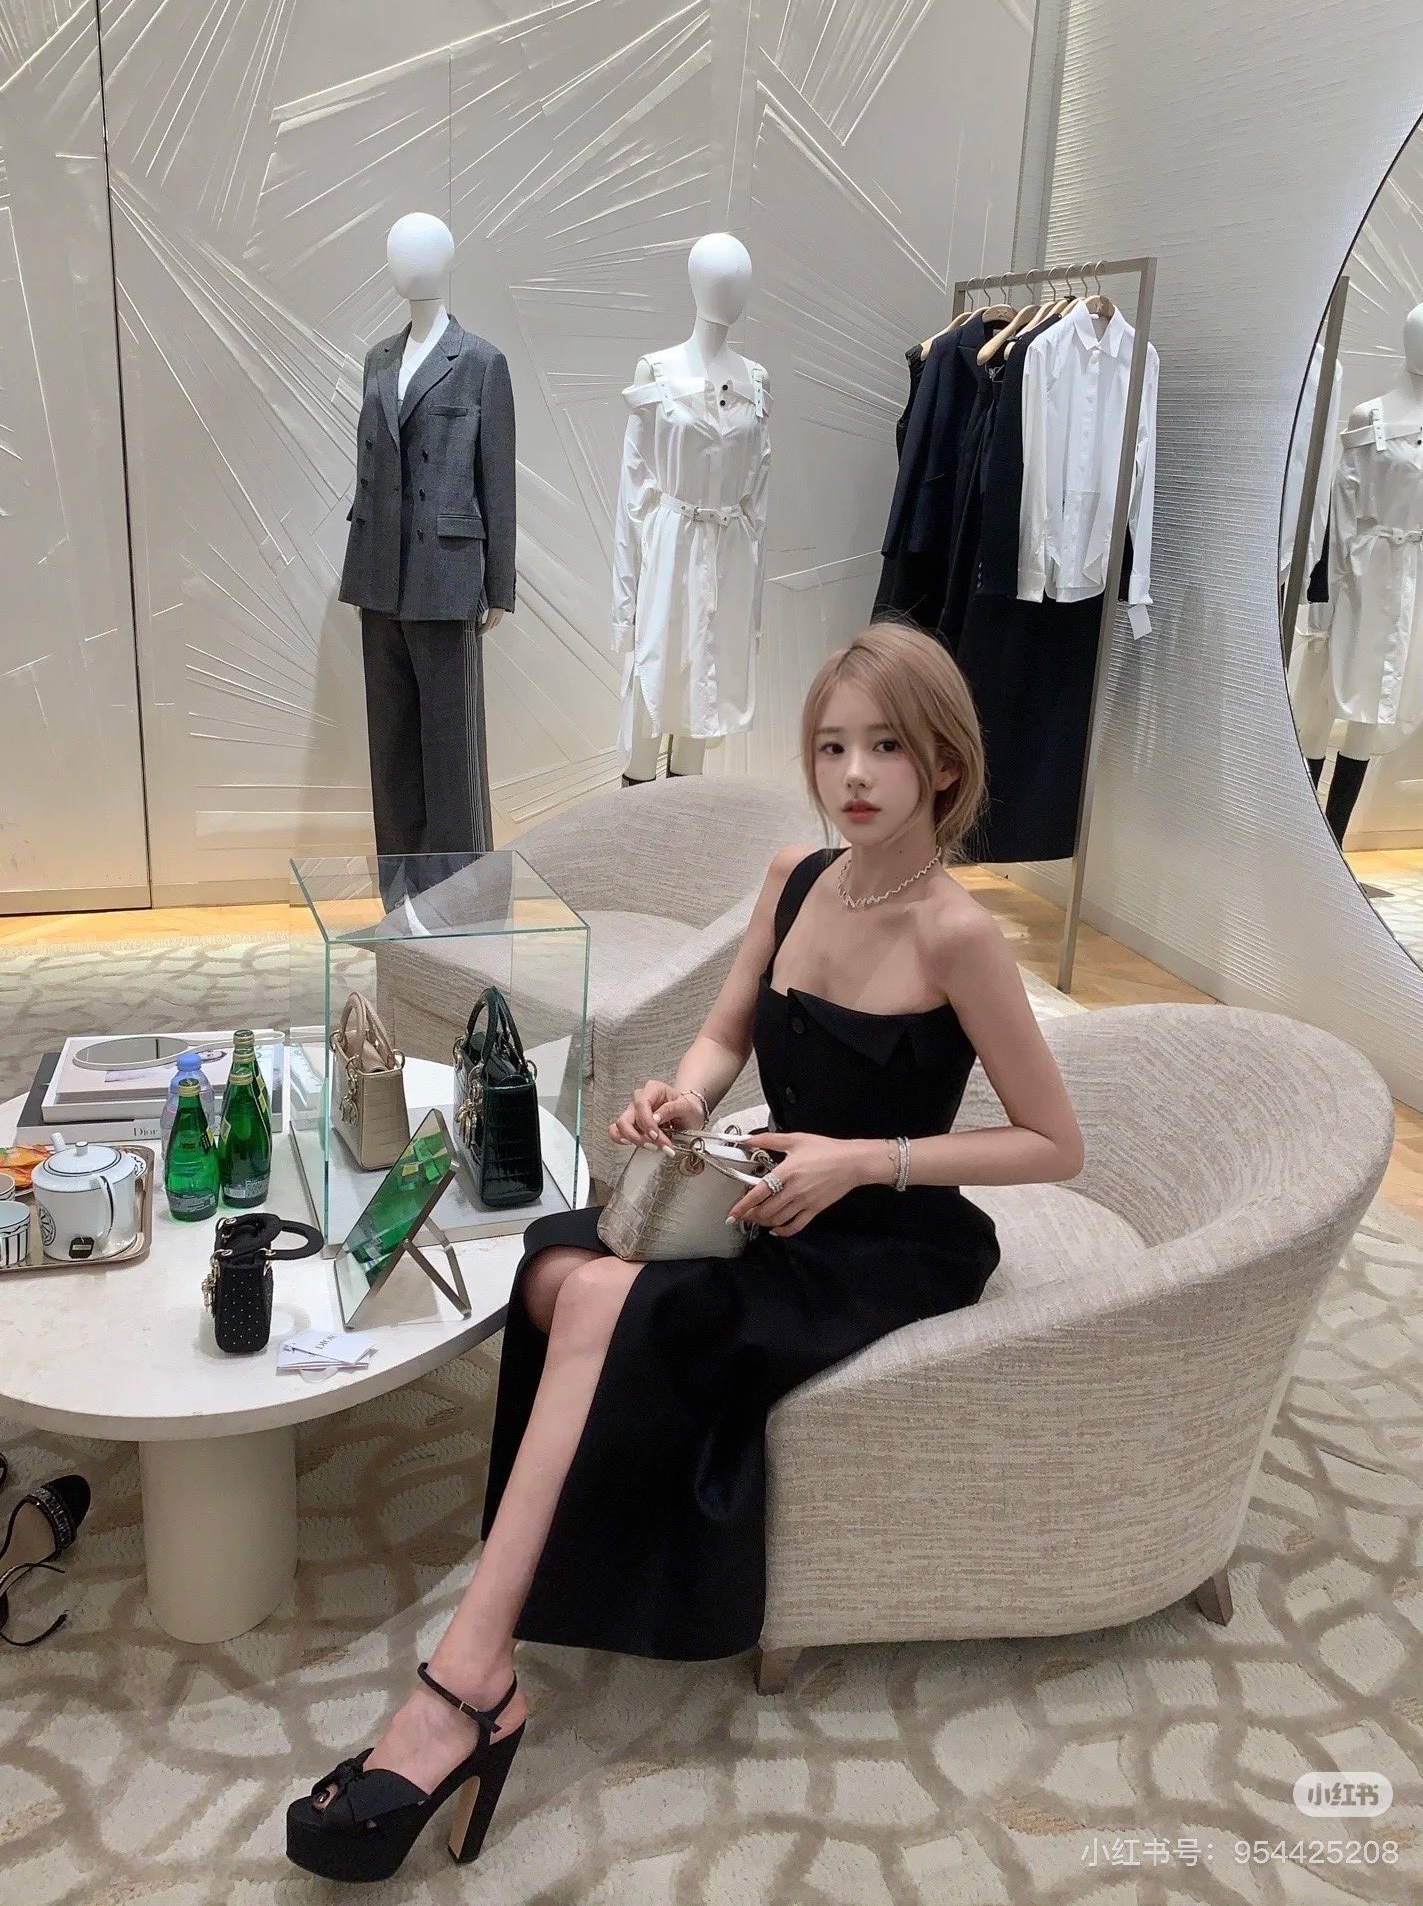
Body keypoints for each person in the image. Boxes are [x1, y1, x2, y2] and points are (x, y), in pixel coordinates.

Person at [286, 620, 1085, 1882]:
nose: (854, 774)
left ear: (944, 764)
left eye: (887, 747)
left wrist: (860, 1160)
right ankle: (504, 1638)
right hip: (753, 1193)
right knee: (555, 1269)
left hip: (881, 1234)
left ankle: (467, 1683)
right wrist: (684, 1096)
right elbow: (723, 1034)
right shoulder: (796, 878)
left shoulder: (958, 935)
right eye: (832, 745)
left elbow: (1052, 1144)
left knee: (607, 1305)